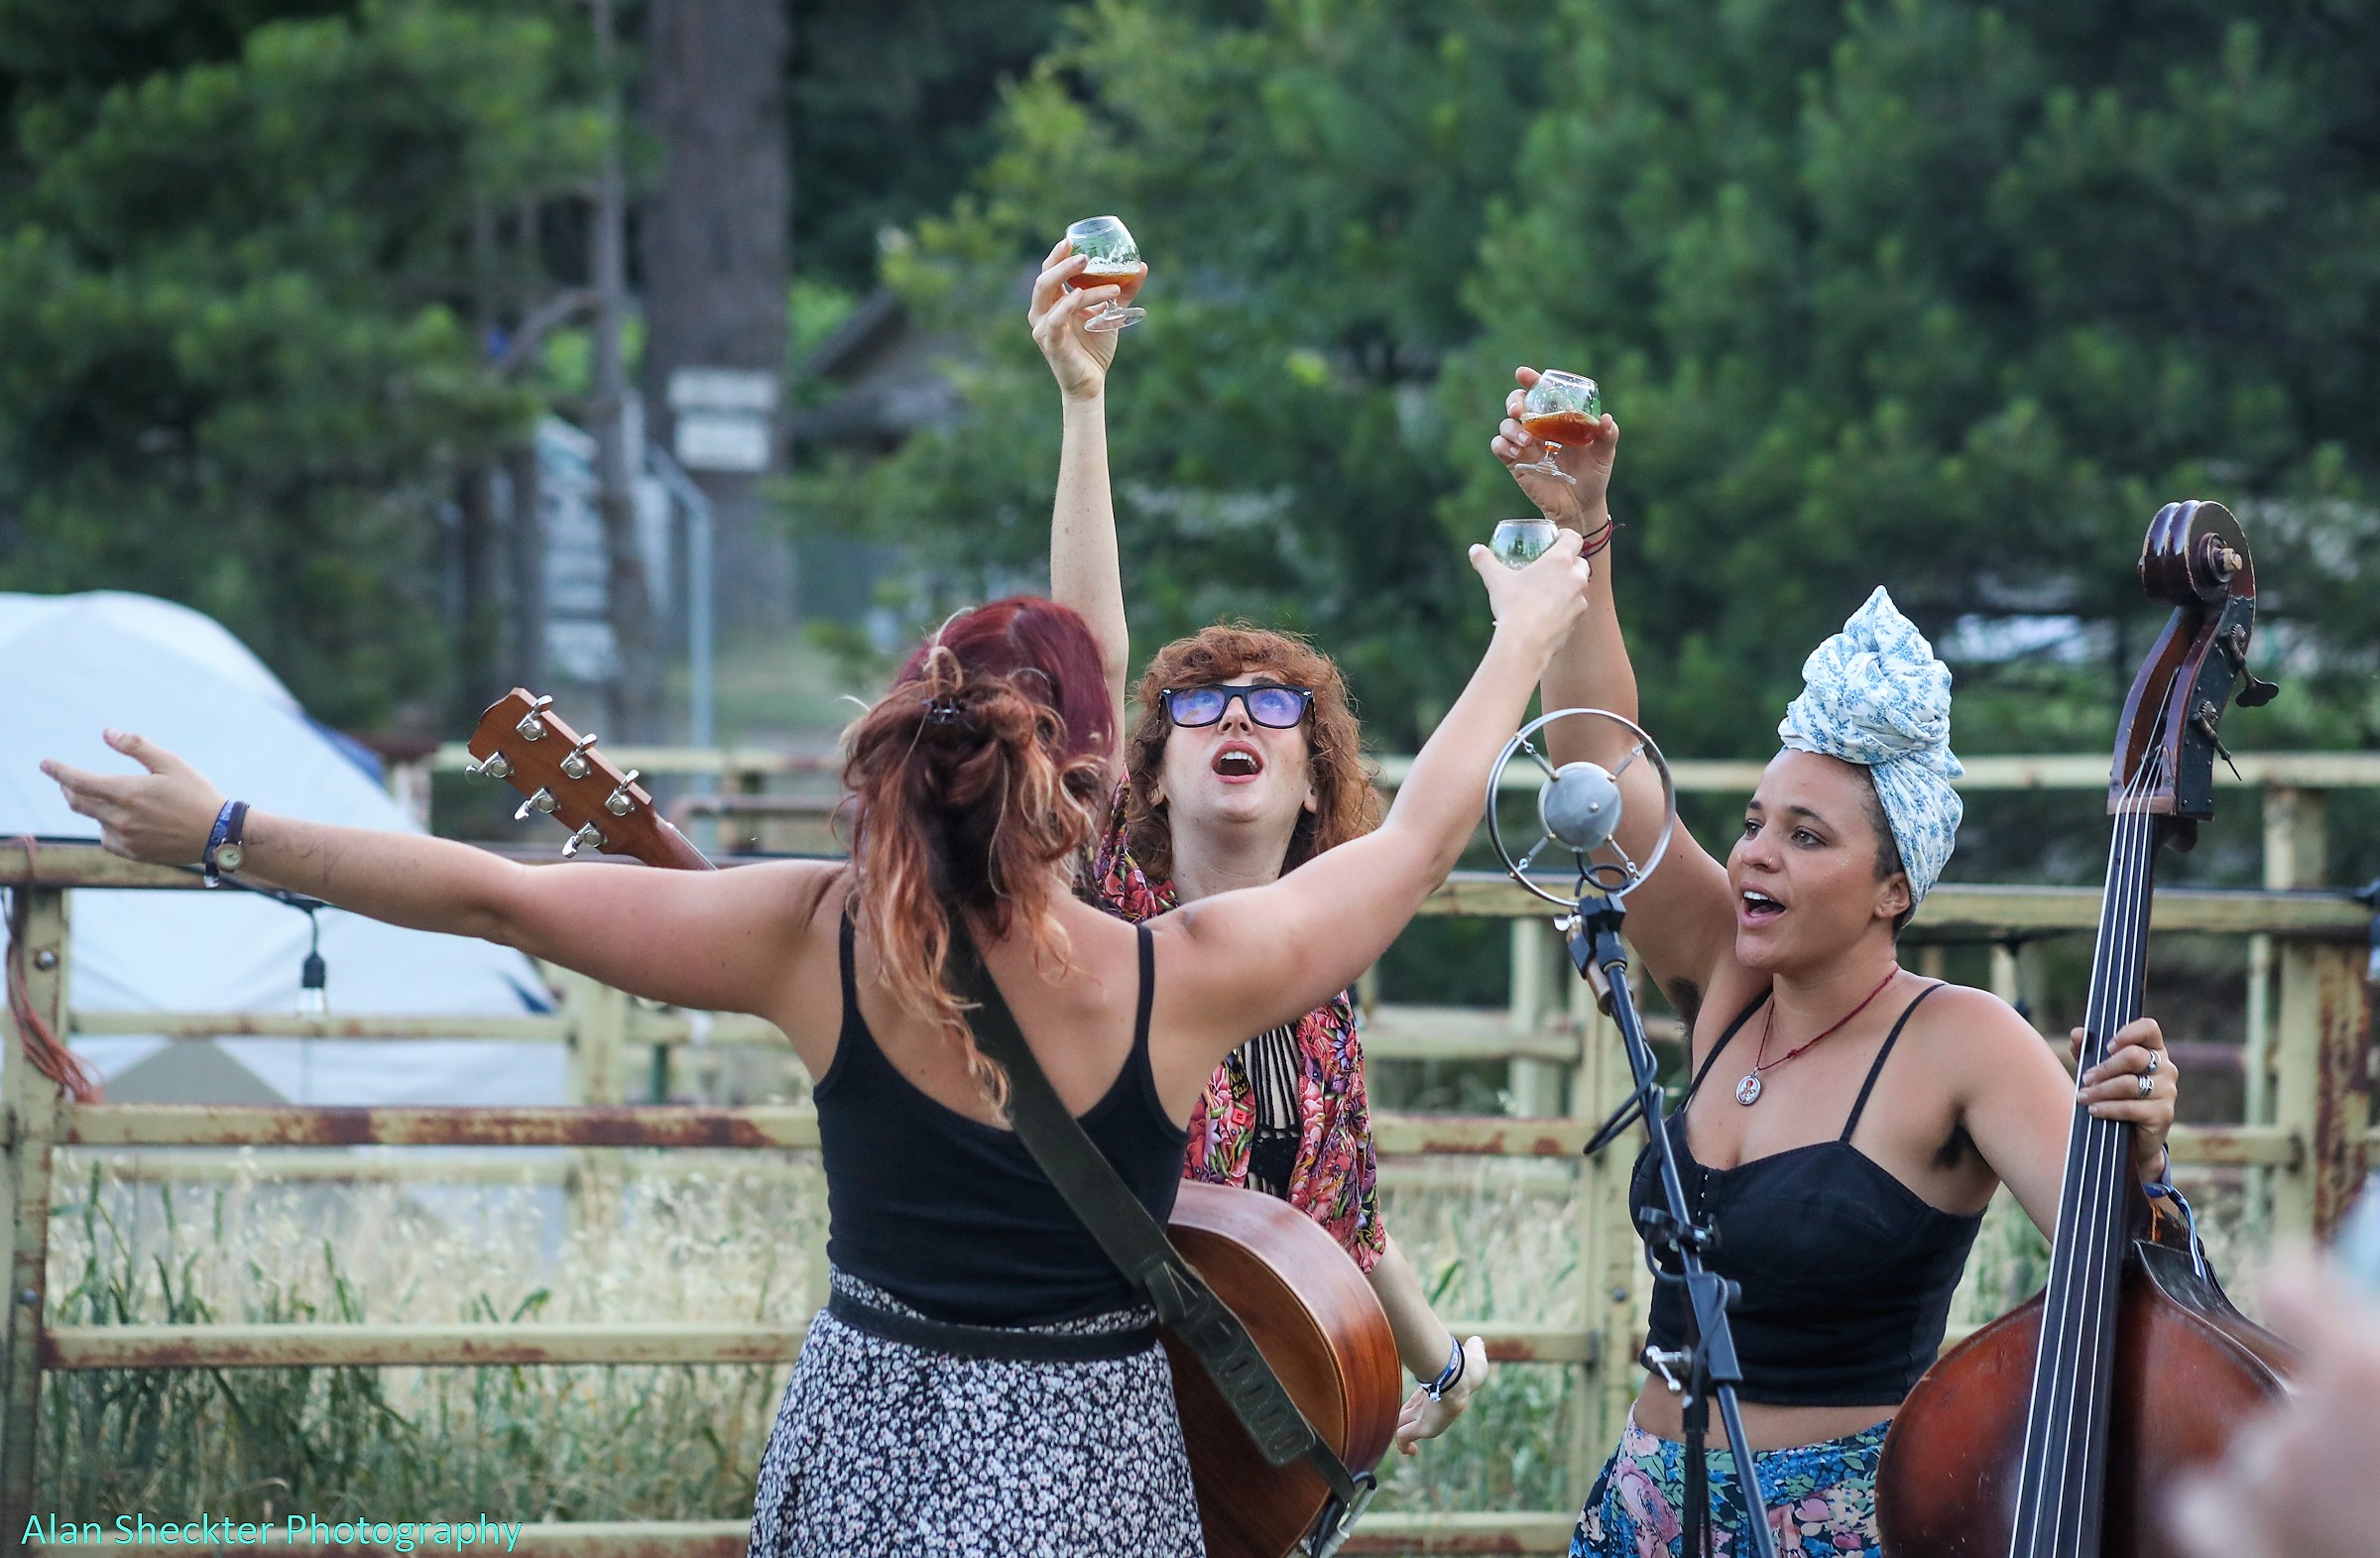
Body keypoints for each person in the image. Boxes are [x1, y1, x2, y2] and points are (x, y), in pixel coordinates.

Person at [44, 549, 1592, 1554]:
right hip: (1089, 1472)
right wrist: (1523, 633)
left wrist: (227, 831)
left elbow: (487, 888)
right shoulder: (1181, 976)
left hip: (863, 1429)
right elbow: (1419, 835)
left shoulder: (805, 933)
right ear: (1089, 769)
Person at [1488, 370, 2183, 1558]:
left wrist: (2144, 1142)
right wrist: (1581, 530)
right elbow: (1600, 767)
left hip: (1841, 1525)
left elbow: (2120, 1267)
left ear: (1895, 885)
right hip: (1643, 1512)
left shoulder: (1961, 1039)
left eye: (1807, 837)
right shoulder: (1722, 968)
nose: (1756, 851)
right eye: (1758, 821)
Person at [1030, 240, 1488, 1452]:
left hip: (1248, 1441)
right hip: (1086, 1412)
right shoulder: (1106, 910)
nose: (1236, 712)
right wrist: (1086, 402)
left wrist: (1440, 1368)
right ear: (1151, 771)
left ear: (1310, 783)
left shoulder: (1323, 988)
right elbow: (1089, 654)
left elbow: (1345, 1220)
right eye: (1204, 702)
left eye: (1273, 705)